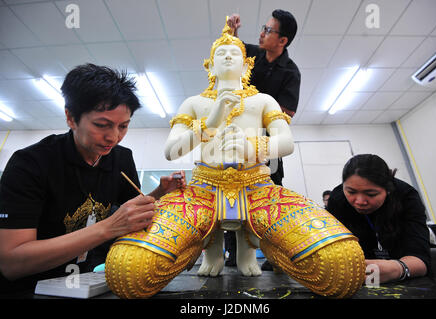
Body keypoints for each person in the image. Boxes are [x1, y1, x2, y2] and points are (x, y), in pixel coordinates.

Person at [104, 20, 365, 299]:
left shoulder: (263, 100)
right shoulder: (194, 103)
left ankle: (266, 243)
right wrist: (209, 123)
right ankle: (199, 245)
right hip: (202, 191)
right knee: (125, 273)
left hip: (259, 190)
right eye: (220, 54)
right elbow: (172, 151)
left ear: (246, 66)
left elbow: (286, 143)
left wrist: (251, 145)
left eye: (235, 53)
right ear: (210, 66)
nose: (228, 56)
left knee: (343, 266)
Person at [0, 63, 185, 295]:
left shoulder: (121, 158)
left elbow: (131, 213)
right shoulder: (31, 164)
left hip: (86, 283)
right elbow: (11, 263)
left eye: (123, 126)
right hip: (31, 289)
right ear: (71, 117)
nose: (113, 137)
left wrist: (159, 193)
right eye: (101, 125)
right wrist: (107, 228)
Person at [227, 10, 301, 270]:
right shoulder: (254, 53)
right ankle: (233, 255)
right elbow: (232, 48)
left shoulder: (291, 72)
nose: (261, 33)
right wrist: (233, 28)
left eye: (268, 30)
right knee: (232, 193)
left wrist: (256, 110)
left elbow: (287, 113)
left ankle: (274, 255)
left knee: (269, 195)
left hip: (267, 145)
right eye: (263, 28)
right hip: (236, 142)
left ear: (283, 40)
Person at [327, 154, 431, 283]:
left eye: (371, 194)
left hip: (403, 277)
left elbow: (421, 261)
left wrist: (398, 268)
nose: (359, 201)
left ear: (388, 189)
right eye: (351, 192)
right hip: (359, 277)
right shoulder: (338, 199)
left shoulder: (406, 196)